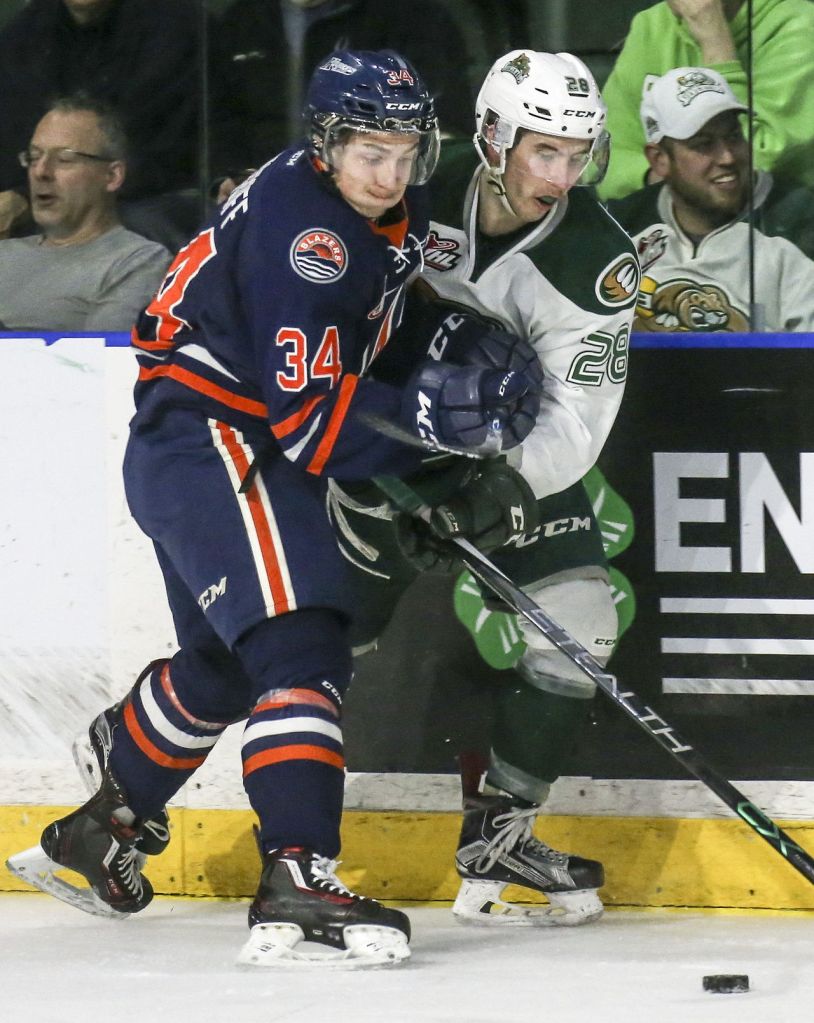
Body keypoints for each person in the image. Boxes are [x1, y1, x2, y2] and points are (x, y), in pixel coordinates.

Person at [6, 50, 540, 968]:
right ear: (326, 145)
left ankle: (102, 823)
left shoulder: (349, 202)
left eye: (407, 151)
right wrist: (443, 460)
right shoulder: (313, 244)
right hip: (219, 441)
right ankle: (298, 870)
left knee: (225, 664)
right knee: (302, 642)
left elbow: (369, 326)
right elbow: (313, 430)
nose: (392, 173)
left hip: (199, 439)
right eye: (371, 152)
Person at [325, 49, 640, 926]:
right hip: (384, 443)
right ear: (495, 138)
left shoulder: (596, 258)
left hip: (506, 458)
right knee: (319, 641)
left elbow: (578, 416)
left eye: (579, 155)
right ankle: (162, 796)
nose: (564, 175)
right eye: (546, 152)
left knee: (581, 625)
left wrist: (496, 491)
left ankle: (500, 832)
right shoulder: (414, 183)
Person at [0, 0, 243, 251]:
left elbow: (156, 152)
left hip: (157, 195)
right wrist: (16, 196)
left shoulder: (177, 27)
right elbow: (12, 141)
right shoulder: (22, 37)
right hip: (55, 198)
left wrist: (28, 195)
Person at [606, 67, 814, 332]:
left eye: (733, 136)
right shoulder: (620, 229)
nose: (727, 157)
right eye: (703, 144)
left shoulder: (799, 226)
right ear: (660, 160)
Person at [216, 0, 477, 170]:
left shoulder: (414, 17)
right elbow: (220, 122)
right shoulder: (242, 21)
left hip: (375, 202)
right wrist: (227, 178)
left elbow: (444, 129)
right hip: (265, 200)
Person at [598, 0, 814, 200]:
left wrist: (717, 47)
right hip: (666, 221)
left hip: (779, 225)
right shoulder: (651, 25)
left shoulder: (801, 26)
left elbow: (757, 160)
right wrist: (661, 178)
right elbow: (600, 159)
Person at [0, 93, 170, 331]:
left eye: (64, 159)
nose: (40, 171)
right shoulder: (4, 253)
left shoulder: (136, 262)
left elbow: (97, 364)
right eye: (34, 157)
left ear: (112, 176)